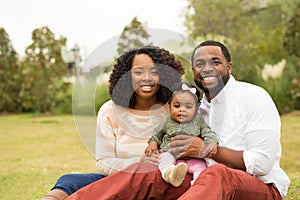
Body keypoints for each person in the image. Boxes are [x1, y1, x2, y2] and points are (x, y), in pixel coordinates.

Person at [66, 40, 290, 200]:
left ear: (229, 67)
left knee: (217, 173)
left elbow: (261, 163)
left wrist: (206, 150)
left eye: (216, 62)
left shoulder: (254, 97)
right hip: (202, 182)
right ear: (194, 71)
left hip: (260, 188)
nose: (207, 68)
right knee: (147, 174)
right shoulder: (196, 109)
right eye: (200, 64)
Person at [41, 45, 185, 200]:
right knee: (70, 181)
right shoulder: (109, 110)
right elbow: (104, 163)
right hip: (120, 179)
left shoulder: (174, 109)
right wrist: (138, 163)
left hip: (158, 180)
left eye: (154, 72)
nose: (146, 78)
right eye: (138, 72)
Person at [145, 82, 218, 187]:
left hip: (191, 157)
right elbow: (157, 134)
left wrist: (212, 142)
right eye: (177, 106)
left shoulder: (198, 121)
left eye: (188, 107)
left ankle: (198, 185)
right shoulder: (167, 121)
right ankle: (171, 174)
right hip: (169, 153)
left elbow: (208, 132)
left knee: (201, 168)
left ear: (196, 109)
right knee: (163, 160)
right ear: (170, 107)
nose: (182, 110)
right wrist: (153, 144)